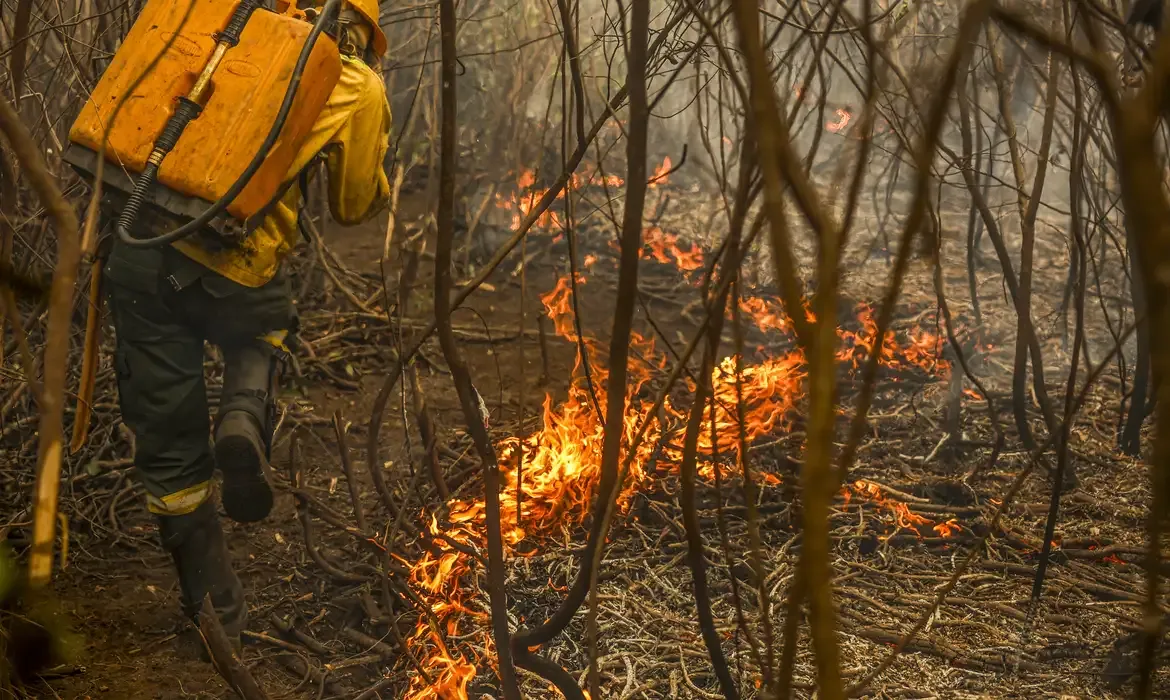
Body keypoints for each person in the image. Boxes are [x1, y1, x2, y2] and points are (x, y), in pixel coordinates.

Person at [103, 0, 391, 649]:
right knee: (264, 320)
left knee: (167, 432)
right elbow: (352, 205)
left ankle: (214, 605)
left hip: (141, 252)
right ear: (362, 23)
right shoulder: (352, 77)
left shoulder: (206, 19)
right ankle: (241, 411)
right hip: (239, 267)